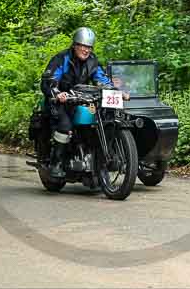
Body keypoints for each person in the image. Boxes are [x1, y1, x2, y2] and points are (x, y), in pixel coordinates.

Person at [40, 27, 128, 178]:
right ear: (75, 45)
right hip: (60, 101)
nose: (86, 50)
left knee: (99, 121)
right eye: (83, 46)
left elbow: (102, 80)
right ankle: (56, 162)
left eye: (89, 47)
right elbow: (49, 80)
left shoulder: (92, 61)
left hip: (80, 99)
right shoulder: (62, 59)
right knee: (65, 125)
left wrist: (117, 91)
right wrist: (57, 93)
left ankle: (96, 160)